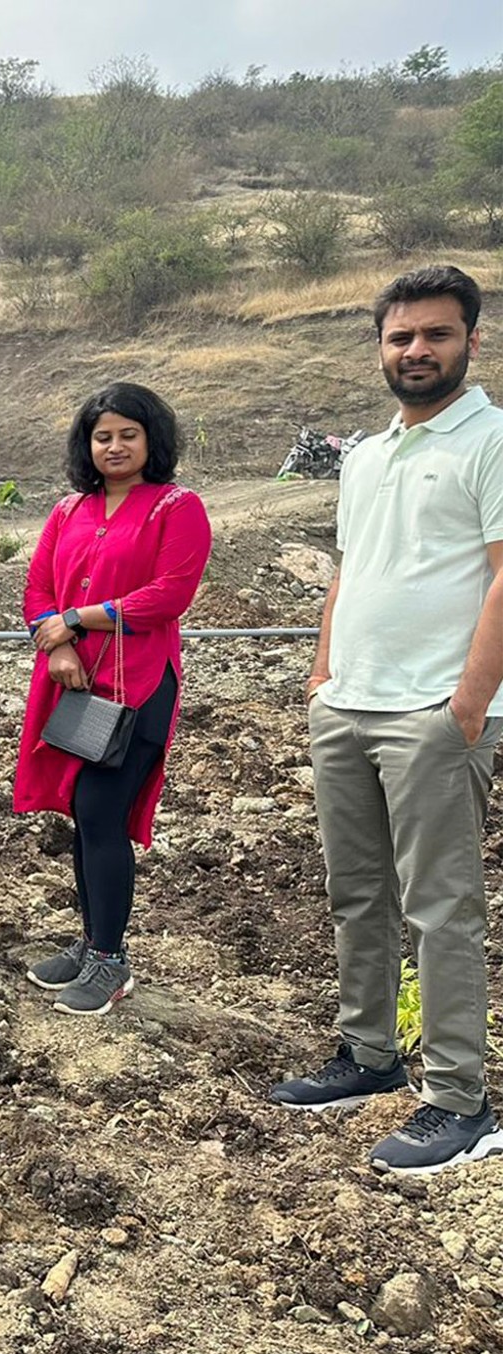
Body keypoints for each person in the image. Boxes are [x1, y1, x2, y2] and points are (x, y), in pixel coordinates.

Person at [271, 264, 503, 1174]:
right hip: (348, 706)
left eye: (436, 334)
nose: (416, 350)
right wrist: (323, 674)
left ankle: (460, 1099)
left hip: (433, 715)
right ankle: (368, 1054)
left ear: (471, 341)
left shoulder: (491, 440)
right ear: (380, 347)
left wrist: (467, 705)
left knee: (441, 908)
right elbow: (348, 568)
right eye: (401, 336)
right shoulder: (366, 453)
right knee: (357, 893)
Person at [12, 383, 211, 1015]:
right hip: (70, 678)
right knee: (82, 810)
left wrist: (76, 619)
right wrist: (60, 646)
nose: (115, 446)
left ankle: (110, 959)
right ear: (87, 444)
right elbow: (37, 589)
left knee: (101, 812)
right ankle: (93, 939)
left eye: (129, 434)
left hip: (138, 684)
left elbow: (169, 595)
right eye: (103, 436)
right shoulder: (69, 509)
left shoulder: (176, 507)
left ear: (153, 440)